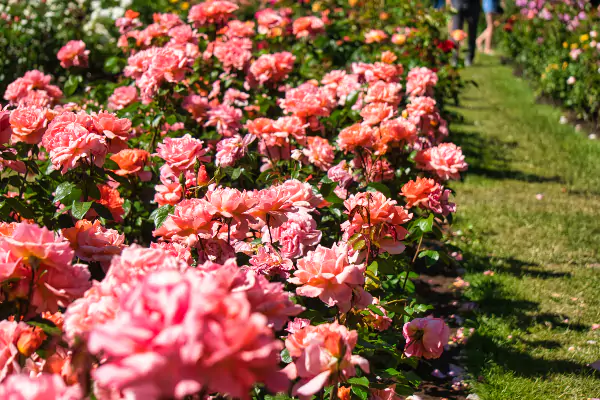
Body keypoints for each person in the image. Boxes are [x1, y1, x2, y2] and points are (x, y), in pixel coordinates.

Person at [447, 0, 481, 67]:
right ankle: (454, 58)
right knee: (456, 32)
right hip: (457, 3)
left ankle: (469, 58)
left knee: (472, 32)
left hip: (474, 4)